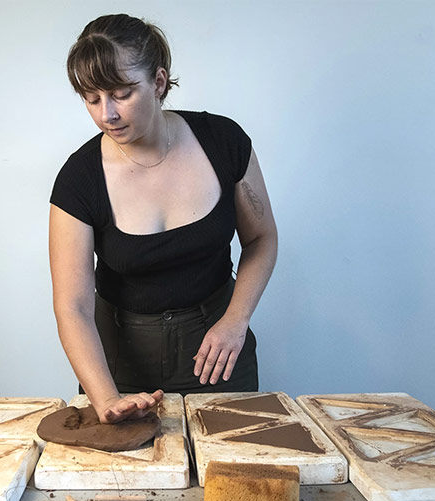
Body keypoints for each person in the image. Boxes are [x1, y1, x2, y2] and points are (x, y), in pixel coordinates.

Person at [49, 14, 277, 425]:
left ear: (157, 82)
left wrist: (235, 321)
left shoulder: (224, 142)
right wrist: (105, 398)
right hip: (118, 359)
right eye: (92, 98)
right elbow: (73, 306)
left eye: (121, 93)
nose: (107, 114)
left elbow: (261, 239)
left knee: (234, 472)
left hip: (219, 350)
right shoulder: (79, 179)